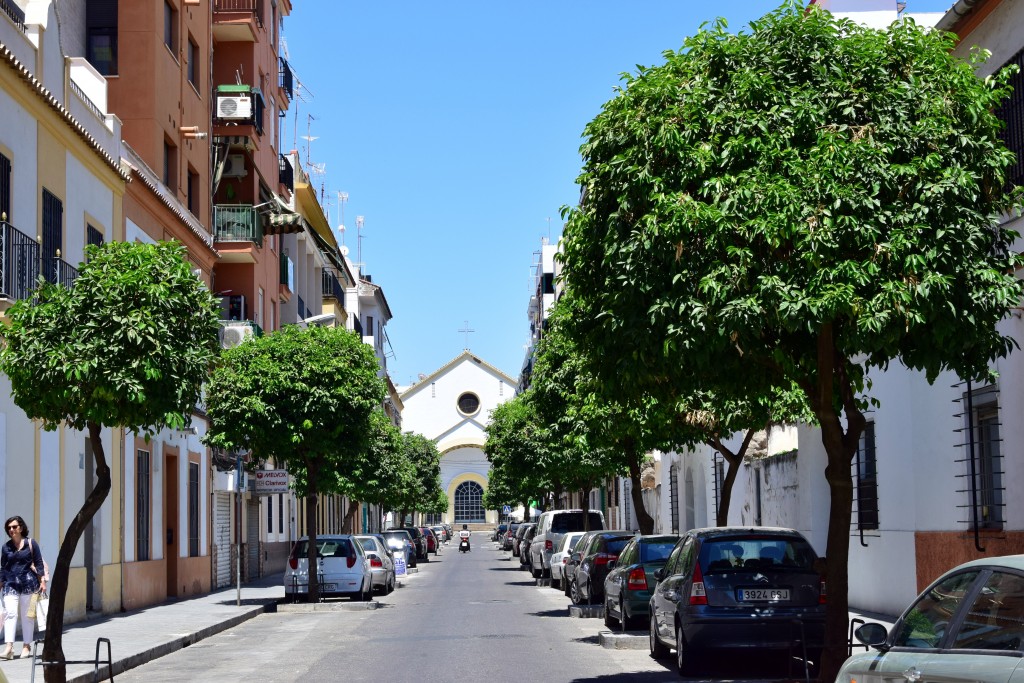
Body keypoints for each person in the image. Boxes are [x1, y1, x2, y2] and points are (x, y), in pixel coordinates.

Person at [0, 515, 46, 660]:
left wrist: (42, 582)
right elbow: (3, 567)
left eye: (14, 527)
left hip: (29, 585)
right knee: (10, 613)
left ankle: (26, 646)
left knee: (28, 616)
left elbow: (39, 563)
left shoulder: (31, 543)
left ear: (21, 528)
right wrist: (1, 583)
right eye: (9, 528)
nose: (11, 529)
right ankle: (9, 647)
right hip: (10, 584)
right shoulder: (6, 547)